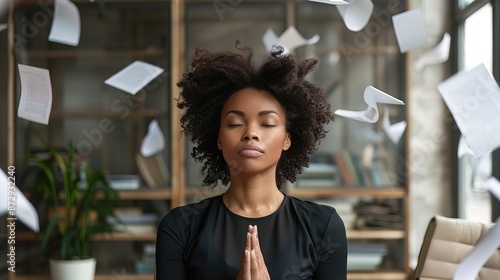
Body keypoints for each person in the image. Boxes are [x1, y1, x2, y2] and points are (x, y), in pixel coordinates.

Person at [156, 42, 347, 279]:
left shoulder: (323, 227)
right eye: (235, 123)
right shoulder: (179, 227)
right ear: (218, 139)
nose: (250, 133)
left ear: (288, 139)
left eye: (267, 123)